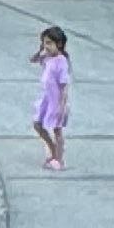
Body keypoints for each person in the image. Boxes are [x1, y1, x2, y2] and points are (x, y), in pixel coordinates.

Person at [30, 25, 71, 174]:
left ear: (59, 44)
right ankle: (52, 149)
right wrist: (41, 49)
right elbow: (33, 59)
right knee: (37, 124)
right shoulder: (47, 57)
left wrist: (62, 106)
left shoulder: (61, 62)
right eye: (44, 42)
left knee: (57, 130)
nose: (46, 46)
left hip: (56, 101)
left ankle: (59, 159)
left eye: (49, 43)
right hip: (46, 99)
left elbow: (64, 86)